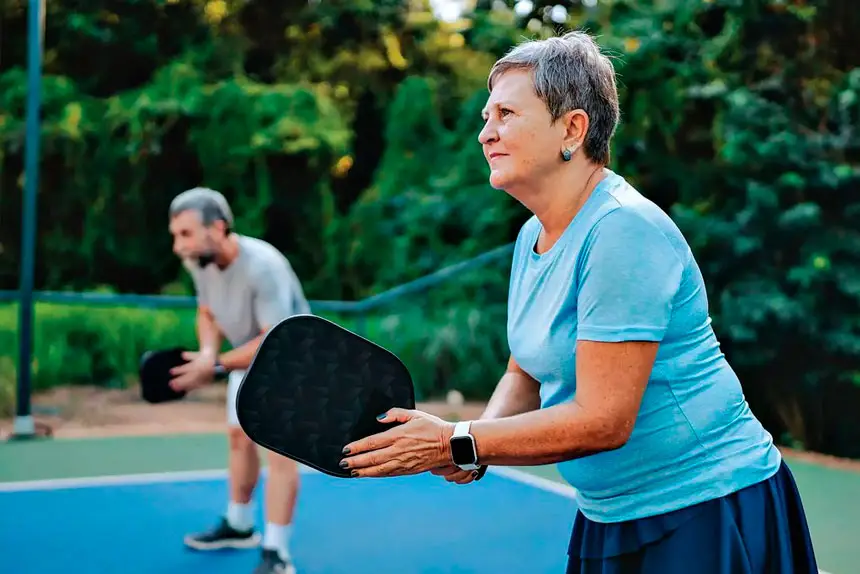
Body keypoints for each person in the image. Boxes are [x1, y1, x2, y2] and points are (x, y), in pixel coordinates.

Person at [337, 31, 820, 573]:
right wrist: (473, 452)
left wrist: (458, 440)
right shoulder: (532, 236)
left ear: (572, 127)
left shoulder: (622, 231)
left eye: (505, 114)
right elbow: (524, 369)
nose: (485, 133)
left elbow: (603, 419)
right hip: (610, 512)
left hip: (703, 508)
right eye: (485, 116)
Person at [167, 187, 309, 574]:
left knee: (278, 451)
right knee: (238, 437)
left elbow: (274, 337)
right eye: (175, 235)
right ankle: (239, 524)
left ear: (218, 227)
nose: (179, 246)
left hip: (288, 360)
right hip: (243, 359)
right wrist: (209, 353)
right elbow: (207, 310)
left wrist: (213, 368)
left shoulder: (264, 265)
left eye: (185, 234)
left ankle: (277, 552)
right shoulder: (200, 262)